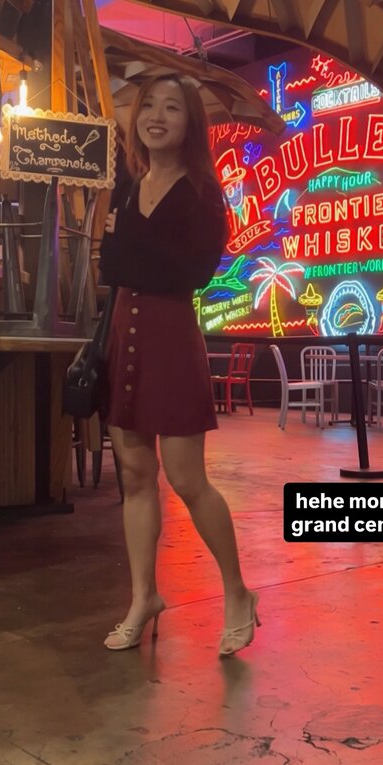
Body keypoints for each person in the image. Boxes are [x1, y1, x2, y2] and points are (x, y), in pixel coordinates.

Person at [99, 74, 260, 657]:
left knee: (188, 479)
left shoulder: (203, 193)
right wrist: (131, 262)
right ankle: (143, 597)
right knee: (135, 475)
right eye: (149, 106)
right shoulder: (126, 187)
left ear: (191, 123)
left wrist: (128, 256)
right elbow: (112, 268)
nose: (157, 116)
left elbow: (194, 273)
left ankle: (237, 592)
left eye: (172, 107)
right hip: (125, 332)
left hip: (171, 335)